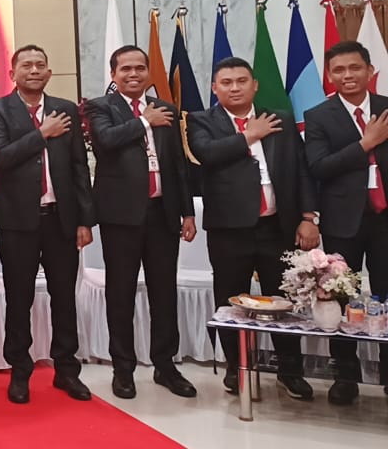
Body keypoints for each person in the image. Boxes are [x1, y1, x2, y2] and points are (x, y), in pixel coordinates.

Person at [186, 56, 316, 400]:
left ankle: (290, 370)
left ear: (254, 85)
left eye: (241, 81)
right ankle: (236, 367)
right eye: (226, 83)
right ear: (215, 88)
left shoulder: (280, 119)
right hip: (230, 230)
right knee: (231, 300)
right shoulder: (202, 121)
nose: (234, 88)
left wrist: (308, 217)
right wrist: (249, 135)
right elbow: (207, 154)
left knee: (283, 301)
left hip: (278, 226)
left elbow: (301, 169)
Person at [84, 46, 197, 400]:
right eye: (125, 69)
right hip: (121, 216)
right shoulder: (101, 107)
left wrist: (187, 212)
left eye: (139, 68)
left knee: (164, 292)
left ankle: (166, 365)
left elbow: (177, 163)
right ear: (113, 74)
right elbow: (106, 142)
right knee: (121, 293)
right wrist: (144, 121)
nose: (133, 74)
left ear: (148, 72)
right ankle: (123, 369)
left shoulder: (167, 108)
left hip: (163, 213)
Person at [0, 45, 93, 404]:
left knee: (64, 297)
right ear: (12, 73)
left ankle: (66, 370)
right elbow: (1, 157)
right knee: (19, 299)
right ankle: (20, 370)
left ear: (48, 73)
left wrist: (84, 219)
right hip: (18, 222)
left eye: (40, 65)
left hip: (62, 220)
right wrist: (42, 133)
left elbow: (78, 166)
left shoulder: (65, 109)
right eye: (26, 65)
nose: (33, 70)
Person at [302, 40, 388, 404]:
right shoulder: (319, 115)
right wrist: (366, 143)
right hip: (342, 220)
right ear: (329, 75)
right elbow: (319, 166)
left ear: (370, 70)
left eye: (354, 68)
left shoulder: (385, 108)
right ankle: (345, 376)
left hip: (385, 219)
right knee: (340, 298)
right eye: (338, 70)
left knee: (386, 295)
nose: (347, 75)